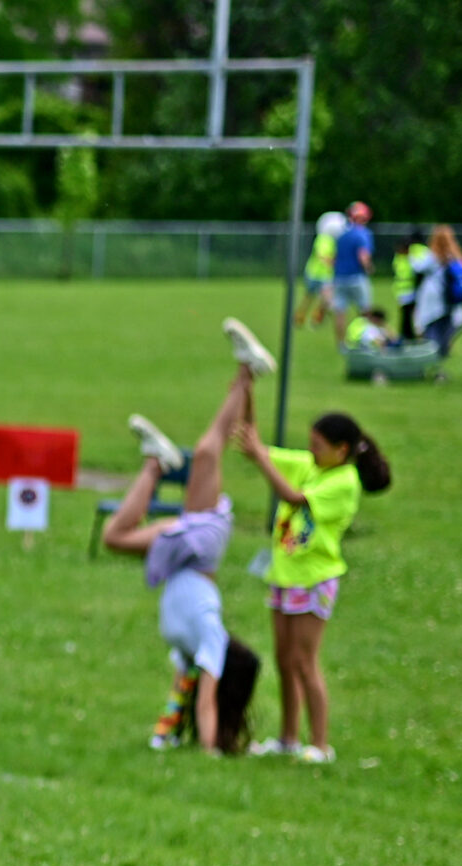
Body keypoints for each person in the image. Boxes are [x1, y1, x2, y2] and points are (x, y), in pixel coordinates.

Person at [104, 321, 272, 755]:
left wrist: (165, 734)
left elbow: (183, 692)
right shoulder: (212, 640)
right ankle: (246, 372)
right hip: (201, 551)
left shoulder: (188, 653)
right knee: (207, 452)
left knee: (115, 536)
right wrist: (211, 751)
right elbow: (207, 703)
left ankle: (155, 464)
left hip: (182, 559)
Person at [238, 406, 390, 763]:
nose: (311, 451)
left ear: (341, 450)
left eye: (318, 445)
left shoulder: (343, 483)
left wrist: (262, 459)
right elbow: (257, 448)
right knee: (284, 660)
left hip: (315, 579)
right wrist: (247, 387)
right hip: (285, 576)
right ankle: (288, 739)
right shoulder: (313, 465)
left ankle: (320, 746)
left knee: (306, 661)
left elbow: (293, 497)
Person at [422, 224, 462, 357]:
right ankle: (443, 351)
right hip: (452, 298)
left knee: (433, 328)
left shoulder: (431, 257)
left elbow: (418, 268)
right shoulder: (458, 257)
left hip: (434, 298)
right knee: (446, 327)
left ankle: (432, 354)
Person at [328, 202, 375, 330]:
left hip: (339, 277)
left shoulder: (341, 235)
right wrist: (369, 268)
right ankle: (365, 338)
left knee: (340, 312)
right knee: (365, 310)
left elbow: (334, 257)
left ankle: (342, 345)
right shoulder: (363, 234)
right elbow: (363, 256)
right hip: (357, 277)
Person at [299, 211, 342, 329]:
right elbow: (322, 255)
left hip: (326, 275)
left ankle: (316, 319)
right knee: (309, 297)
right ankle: (300, 317)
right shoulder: (324, 239)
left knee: (325, 300)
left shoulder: (334, 240)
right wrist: (334, 263)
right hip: (315, 273)